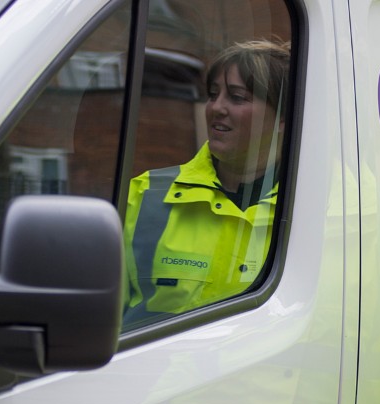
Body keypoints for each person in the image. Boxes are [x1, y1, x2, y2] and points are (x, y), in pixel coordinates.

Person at [123, 40, 290, 326]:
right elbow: (100, 321)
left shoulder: (335, 209)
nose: (216, 108)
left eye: (237, 97)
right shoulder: (146, 194)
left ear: (284, 118)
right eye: (213, 95)